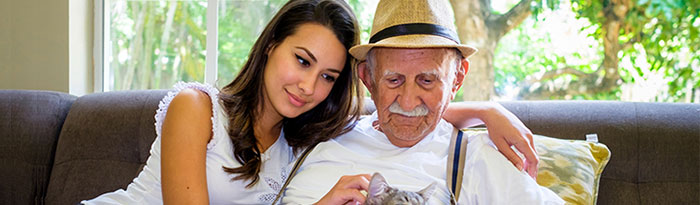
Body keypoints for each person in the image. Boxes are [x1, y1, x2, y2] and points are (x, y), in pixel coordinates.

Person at [83, 0, 537, 204]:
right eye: (301, 60)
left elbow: (401, 111)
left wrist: (483, 111)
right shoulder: (195, 108)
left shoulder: (306, 134)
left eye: (326, 77)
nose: (307, 87)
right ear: (269, 45)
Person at [282, 0, 564, 204]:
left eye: (427, 81)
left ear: (457, 79)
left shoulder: (479, 159)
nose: (407, 101)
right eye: (393, 80)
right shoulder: (316, 129)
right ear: (367, 78)